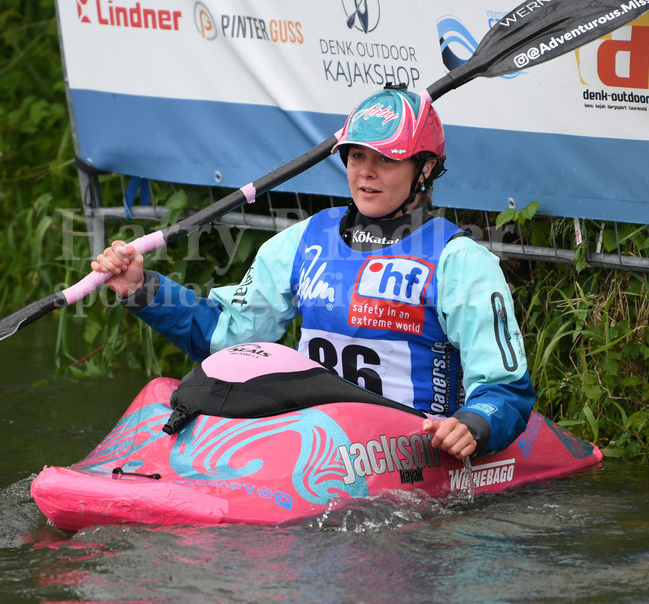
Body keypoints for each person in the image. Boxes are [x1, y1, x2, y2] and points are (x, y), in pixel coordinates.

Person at [92, 85, 535, 460]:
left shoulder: (460, 261)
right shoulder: (302, 241)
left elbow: (504, 387)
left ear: (425, 170)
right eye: (356, 156)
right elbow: (228, 338)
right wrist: (141, 289)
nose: (366, 173)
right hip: (312, 443)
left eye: (386, 160)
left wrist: (474, 423)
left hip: (408, 449)